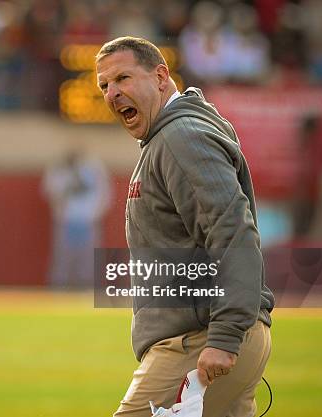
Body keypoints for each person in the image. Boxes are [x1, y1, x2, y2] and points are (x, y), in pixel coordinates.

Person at [95, 36, 274, 417]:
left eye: (123, 78)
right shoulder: (169, 137)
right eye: (104, 86)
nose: (112, 93)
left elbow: (233, 233)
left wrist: (224, 338)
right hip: (207, 337)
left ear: (161, 76)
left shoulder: (180, 137)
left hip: (199, 342)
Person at [42, 149, 112, 288]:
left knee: (88, 261)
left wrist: (94, 215)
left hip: (88, 222)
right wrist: (60, 211)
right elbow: (49, 191)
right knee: (63, 260)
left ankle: (87, 291)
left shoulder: (95, 169)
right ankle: (59, 290)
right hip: (66, 222)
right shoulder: (59, 169)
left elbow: (105, 195)